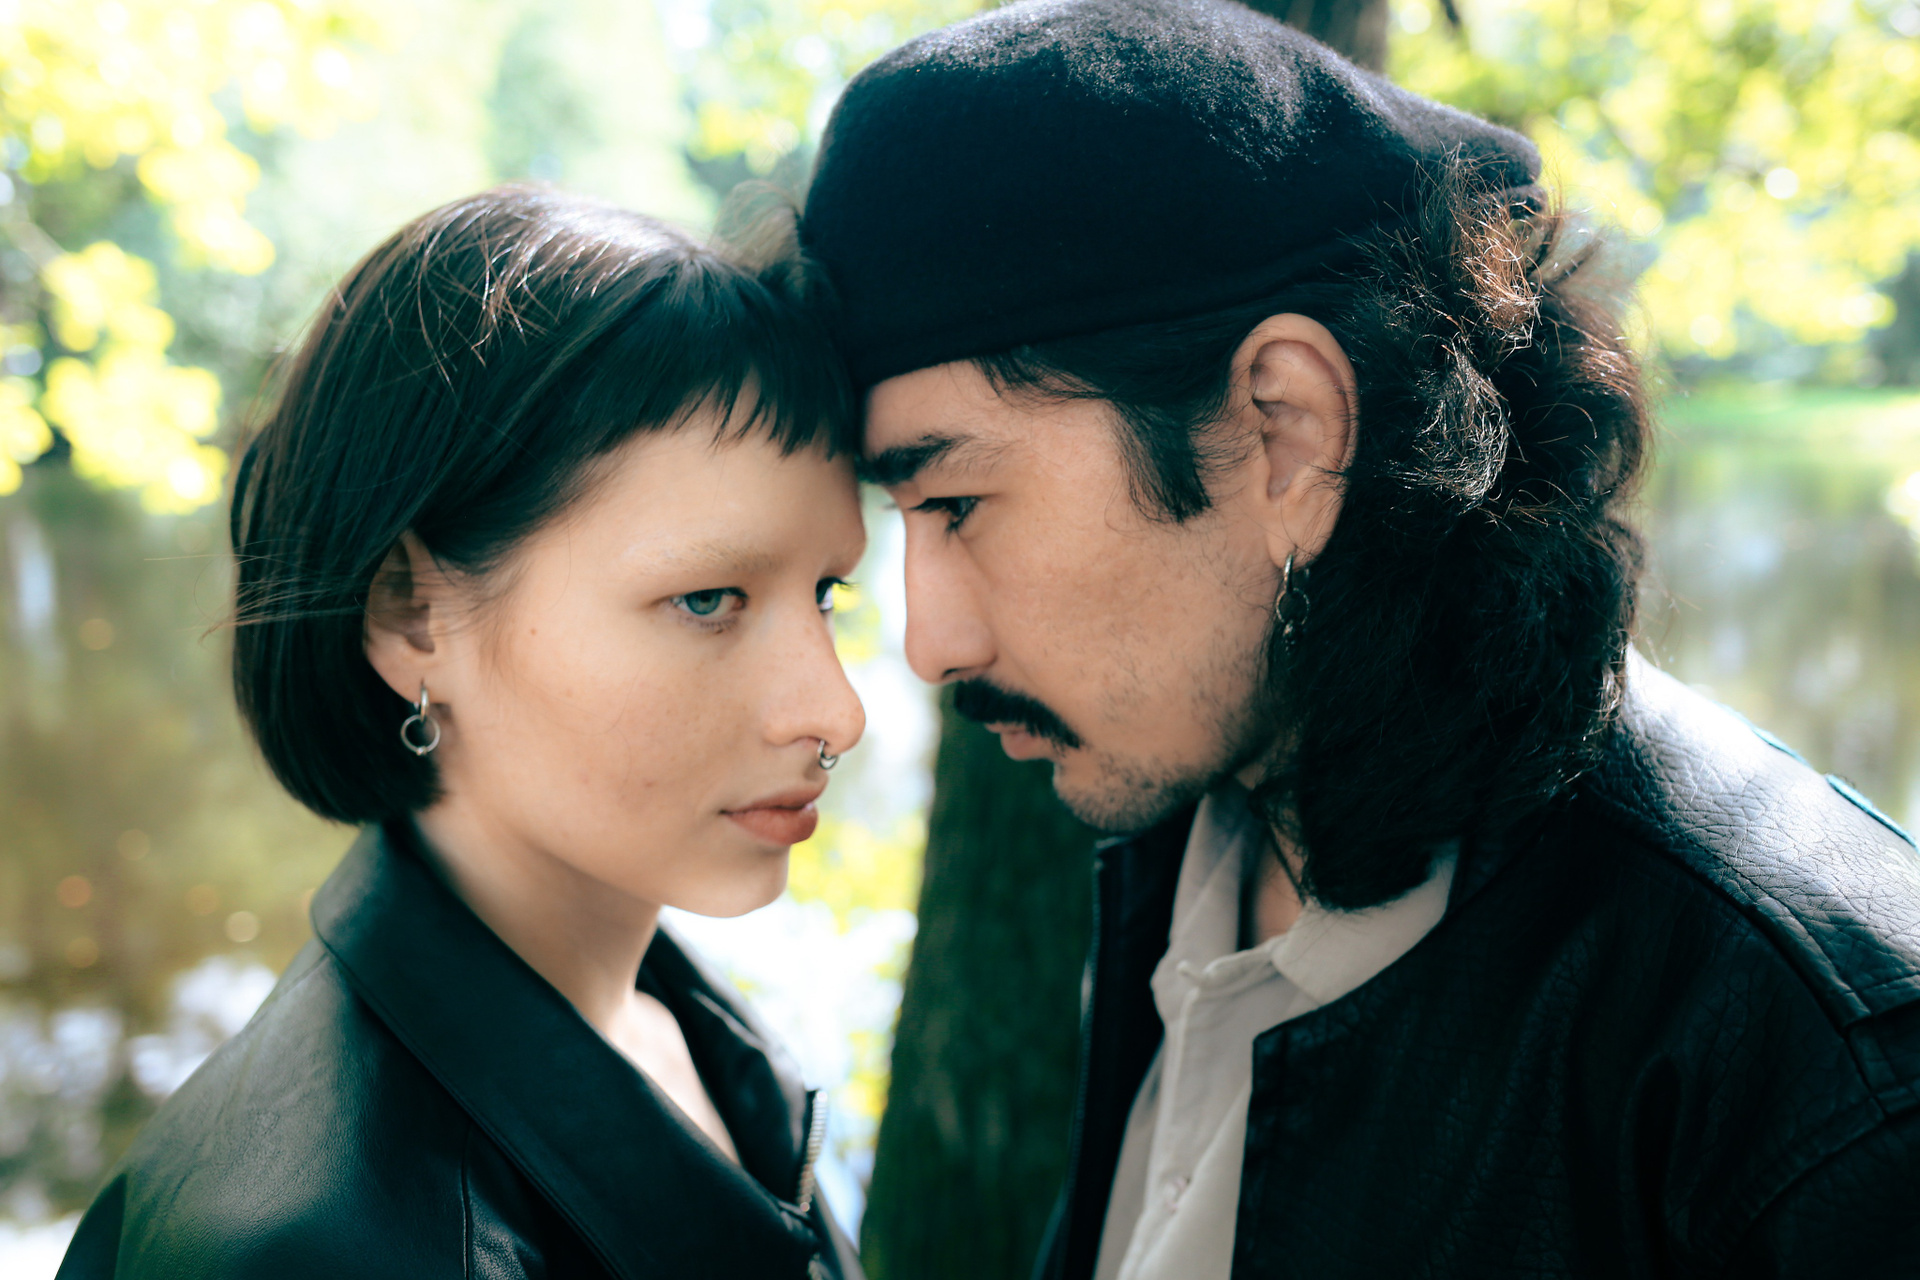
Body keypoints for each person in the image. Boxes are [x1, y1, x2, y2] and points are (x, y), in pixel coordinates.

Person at [798, 1, 1920, 1276]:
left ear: (1288, 432)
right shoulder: (1192, 825)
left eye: (956, 502)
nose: (929, 644)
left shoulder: (1825, 1075)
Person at [57, 186, 867, 1280]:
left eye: (827, 593)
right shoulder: (320, 1251)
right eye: (707, 599)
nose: (835, 711)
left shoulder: (668, 1019)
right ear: (411, 613)